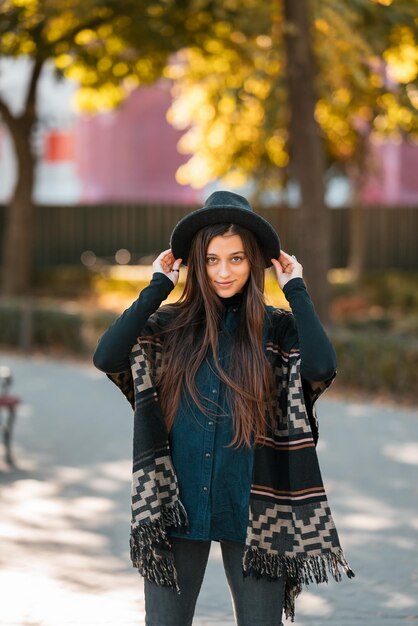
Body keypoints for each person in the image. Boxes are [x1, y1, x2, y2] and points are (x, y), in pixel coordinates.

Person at [93, 190, 354, 626]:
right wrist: (158, 284)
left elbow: (322, 366)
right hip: (174, 504)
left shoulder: (278, 329)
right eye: (212, 259)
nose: (223, 271)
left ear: (254, 262)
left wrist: (297, 289)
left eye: (236, 258)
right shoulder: (170, 327)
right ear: (196, 263)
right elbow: (108, 357)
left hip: (256, 511)